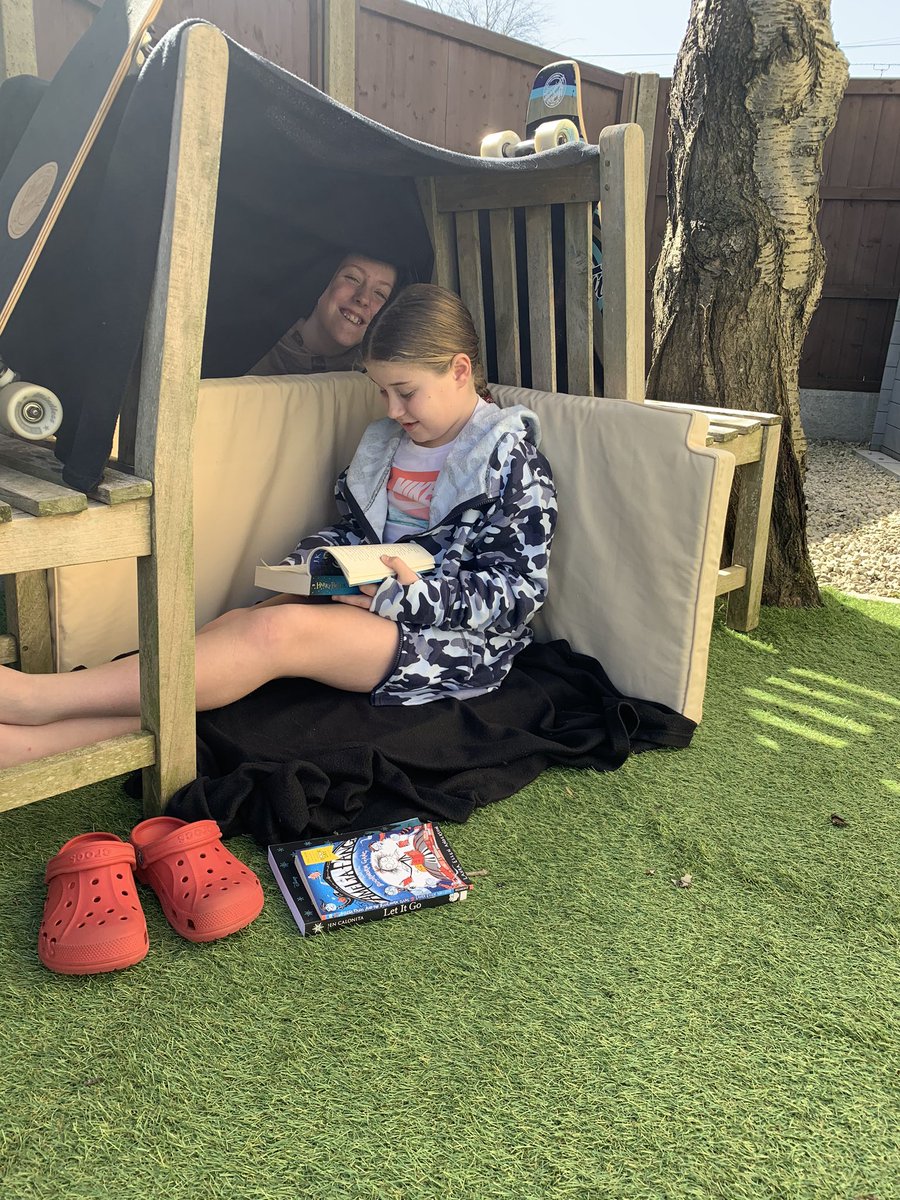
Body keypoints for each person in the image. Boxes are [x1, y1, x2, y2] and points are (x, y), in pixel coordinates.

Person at [0, 284, 557, 765]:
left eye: (406, 392)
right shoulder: (386, 445)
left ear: (460, 370)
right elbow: (353, 533)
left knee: (271, 635)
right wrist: (318, 562)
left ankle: (40, 700)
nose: (391, 410)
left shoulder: (511, 461)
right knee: (238, 625)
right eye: (382, 392)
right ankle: (36, 743)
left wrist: (408, 597)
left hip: (452, 639)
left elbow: (519, 592)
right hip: (362, 601)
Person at [250, 252, 398, 375]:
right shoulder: (252, 345)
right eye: (353, 278)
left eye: (380, 293)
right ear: (322, 281)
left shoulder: (378, 380)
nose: (363, 298)